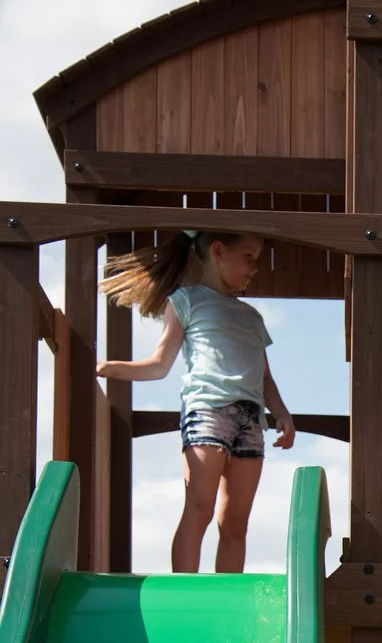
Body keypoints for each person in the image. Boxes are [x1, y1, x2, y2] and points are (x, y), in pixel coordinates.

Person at [96, 230, 295, 573]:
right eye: (249, 258)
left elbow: (264, 377)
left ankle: (227, 593)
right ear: (218, 251)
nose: (254, 268)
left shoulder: (252, 317)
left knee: (236, 521)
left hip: (251, 419)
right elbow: (159, 365)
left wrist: (281, 413)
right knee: (200, 505)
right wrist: (107, 368)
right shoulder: (186, 300)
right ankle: (185, 586)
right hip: (208, 411)